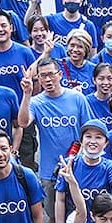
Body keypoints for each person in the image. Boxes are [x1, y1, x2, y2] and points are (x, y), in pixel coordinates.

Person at [19, 56, 93, 187]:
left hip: (77, 166)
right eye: (43, 76)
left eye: (50, 74)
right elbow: (23, 123)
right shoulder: (36, 102)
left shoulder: (77, 98)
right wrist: (27, 94)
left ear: (60, 75)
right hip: (49, 171)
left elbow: (89, 129)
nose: (47, 79)